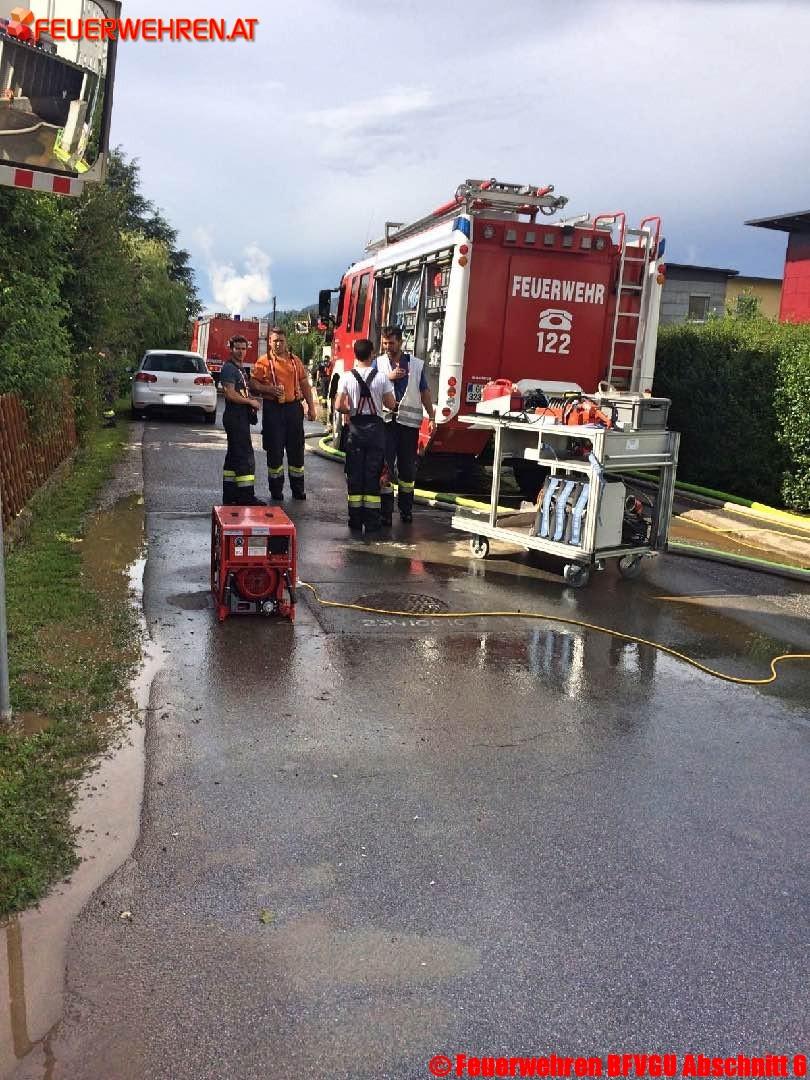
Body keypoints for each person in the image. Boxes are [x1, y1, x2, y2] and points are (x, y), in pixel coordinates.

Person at [375, 325, 436, 524]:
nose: (387, 347)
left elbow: (424, 392)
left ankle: (406, 509)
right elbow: (370, 386)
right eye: (384, 343)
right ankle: (385, 512)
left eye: (391, 343)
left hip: (408, 426)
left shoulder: (415, 365)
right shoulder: (379, 363)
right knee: (385, 467)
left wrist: (432, 416)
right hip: (386, 423)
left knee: (407, 469)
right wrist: (388, 378)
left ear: (400, 342)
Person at [335, 338, 396, 533]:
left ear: (355, 354)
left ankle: (354, 520)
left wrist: (351, 409)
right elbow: (390, 404)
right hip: (376, 431)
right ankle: (371, 522)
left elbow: (338, 405)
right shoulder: (382, 378)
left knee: (354, 474)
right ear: (372, 354)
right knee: (372, 474)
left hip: (355, 430)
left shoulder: (346, 377)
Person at [250, 327, 316, 501]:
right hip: (273, 410)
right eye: (275, 341)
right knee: (275, 451)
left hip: (294, 409)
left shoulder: (295, 361)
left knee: (296, 451)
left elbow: (304, 384)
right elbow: (253, 385)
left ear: (286, 342)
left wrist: (311, 406)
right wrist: (269, 389)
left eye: (281, 340)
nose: (278, 344)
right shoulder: (263, 362)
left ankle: (298, 489)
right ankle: (276, 491)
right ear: (270, 342)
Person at [220, 336, 265, 505]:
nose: (240, 352)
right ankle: (246, 497)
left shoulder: (240, 369)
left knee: (233, 457)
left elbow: (242, 391)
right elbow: (230, 393)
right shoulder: (229, 369)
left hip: (241, 416)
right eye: (237, 348)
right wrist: (249, 402)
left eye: (243, 349)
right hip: (235, 417)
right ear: (231, 349)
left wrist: (252, 398)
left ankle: (231, 495)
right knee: (245, 457)